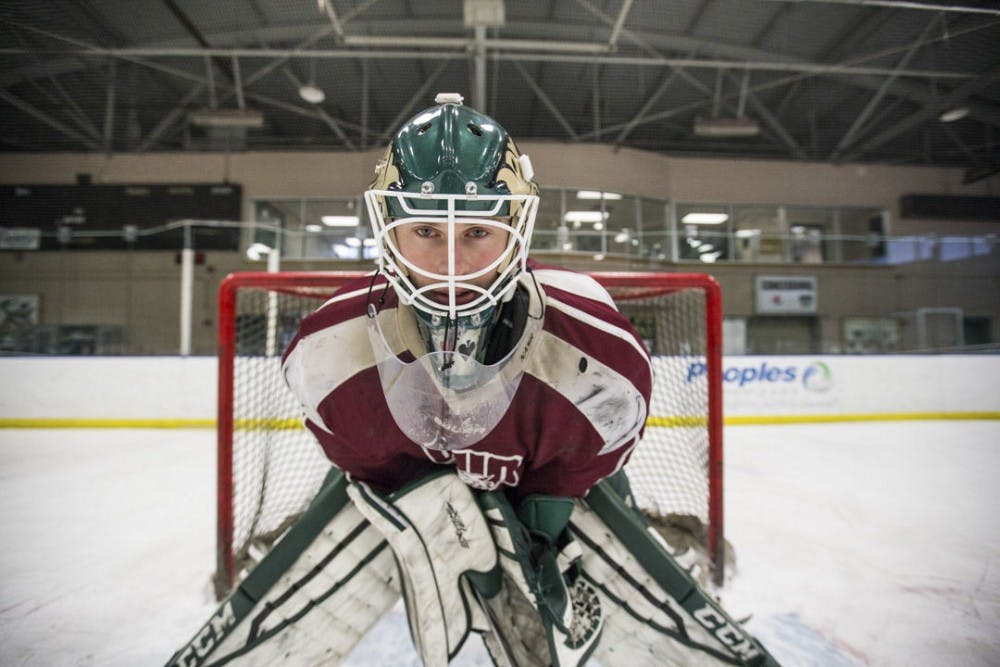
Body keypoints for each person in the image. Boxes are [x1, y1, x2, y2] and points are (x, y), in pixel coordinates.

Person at [280, 92, 653, 665]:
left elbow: (584, 462)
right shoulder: (329, 356)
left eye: (477, 232)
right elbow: (370, 465)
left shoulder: (598, 358)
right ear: (389, 231)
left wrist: (545, 519)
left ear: (515, 231)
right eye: (426, 231)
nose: (451, 265)